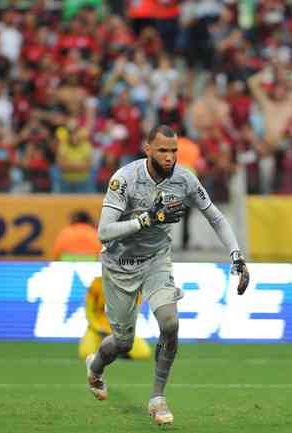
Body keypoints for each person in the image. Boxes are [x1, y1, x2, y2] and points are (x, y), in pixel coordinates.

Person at [86, 124, 250, 425]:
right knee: (123, 343)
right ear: (147, 149)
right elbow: (104, 232)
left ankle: (158, 398)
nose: (170, 156)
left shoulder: (184, 178)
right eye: (162, 150)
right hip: (119, 264)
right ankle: (95, 367)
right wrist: (146, 220)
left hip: (156, 261)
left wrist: (236, 255)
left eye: (174, 150)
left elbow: (215, 216)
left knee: (170, 323)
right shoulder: (124, 180)